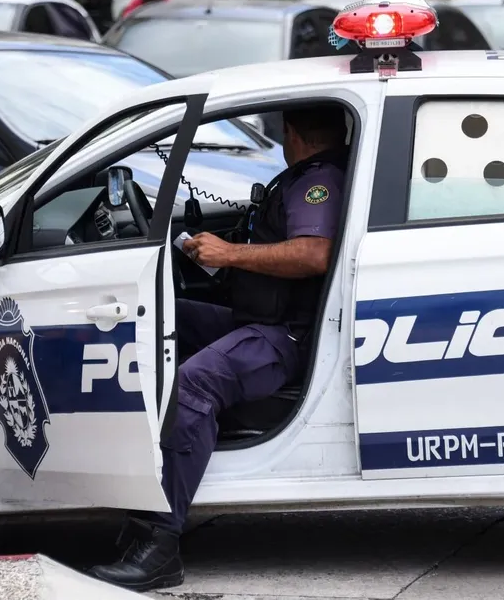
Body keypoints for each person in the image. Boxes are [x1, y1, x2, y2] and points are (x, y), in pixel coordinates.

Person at [87, 105, 349, 592]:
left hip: (287, 337)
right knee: (168, 318)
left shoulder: (321, 180)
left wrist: (229, 254)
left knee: (193, 384)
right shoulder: (300, 177)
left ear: (291, 132)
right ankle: (144, 488)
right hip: (260, 320)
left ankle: (161, 545)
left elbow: (315, 253)